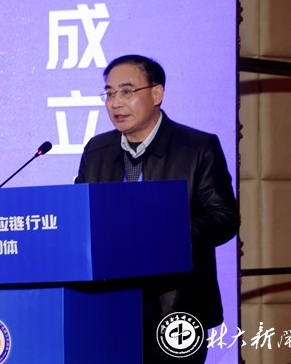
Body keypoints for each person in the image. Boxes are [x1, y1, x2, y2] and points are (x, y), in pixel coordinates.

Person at [74, 55, 239, 363]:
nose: (115, 103)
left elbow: (224, 217)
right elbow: (78, 215)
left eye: (127, 91)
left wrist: (169, 236)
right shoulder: (96, 151)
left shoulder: (197, 148)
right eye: (109, 93)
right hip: (108, 308)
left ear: (157, 93)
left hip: (175, 307)